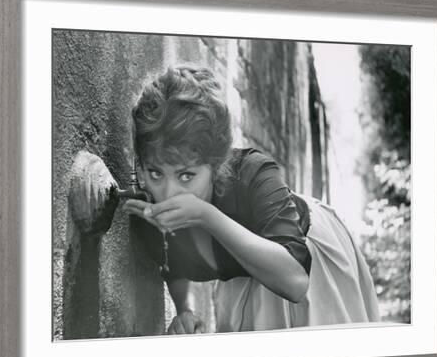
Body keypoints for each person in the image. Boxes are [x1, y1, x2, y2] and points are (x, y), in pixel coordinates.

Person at [123, 64, 380, 334]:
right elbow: (173, 263)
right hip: (245, 281)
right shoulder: (147, 211)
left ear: (216, 165)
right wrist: (184, 309)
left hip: (305, 265)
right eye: (155, 173)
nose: (168, 193)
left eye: (186, 175)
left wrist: (206, 216)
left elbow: (295, 282)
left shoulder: (253, 173)